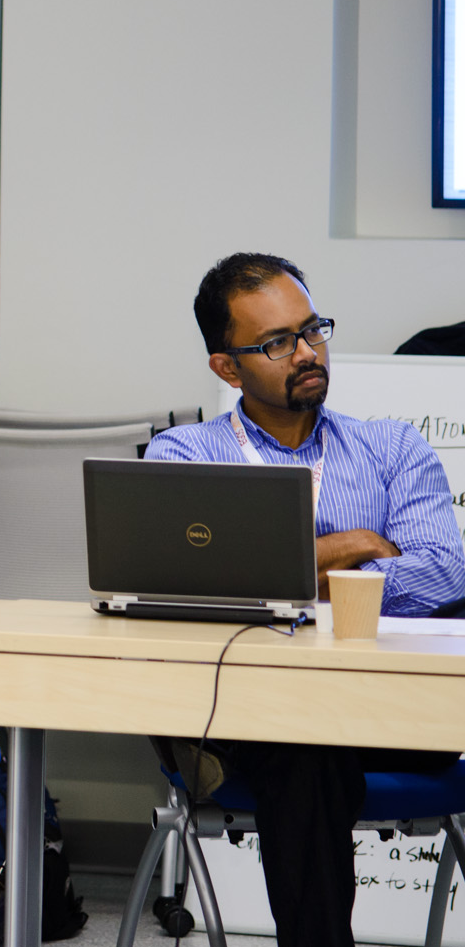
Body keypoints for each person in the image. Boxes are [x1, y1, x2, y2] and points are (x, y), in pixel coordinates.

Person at [145, 252, 465, 947]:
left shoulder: (391, 448)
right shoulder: (184, 457)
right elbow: (191, 584)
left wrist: (274, 573)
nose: (307, 352)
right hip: (245, 710)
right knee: (303, 742)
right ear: (227, 368)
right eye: (276, 343)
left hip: (385, 707)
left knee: (312, 742)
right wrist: (355, 547)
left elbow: (444, 575)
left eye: (312, 329)